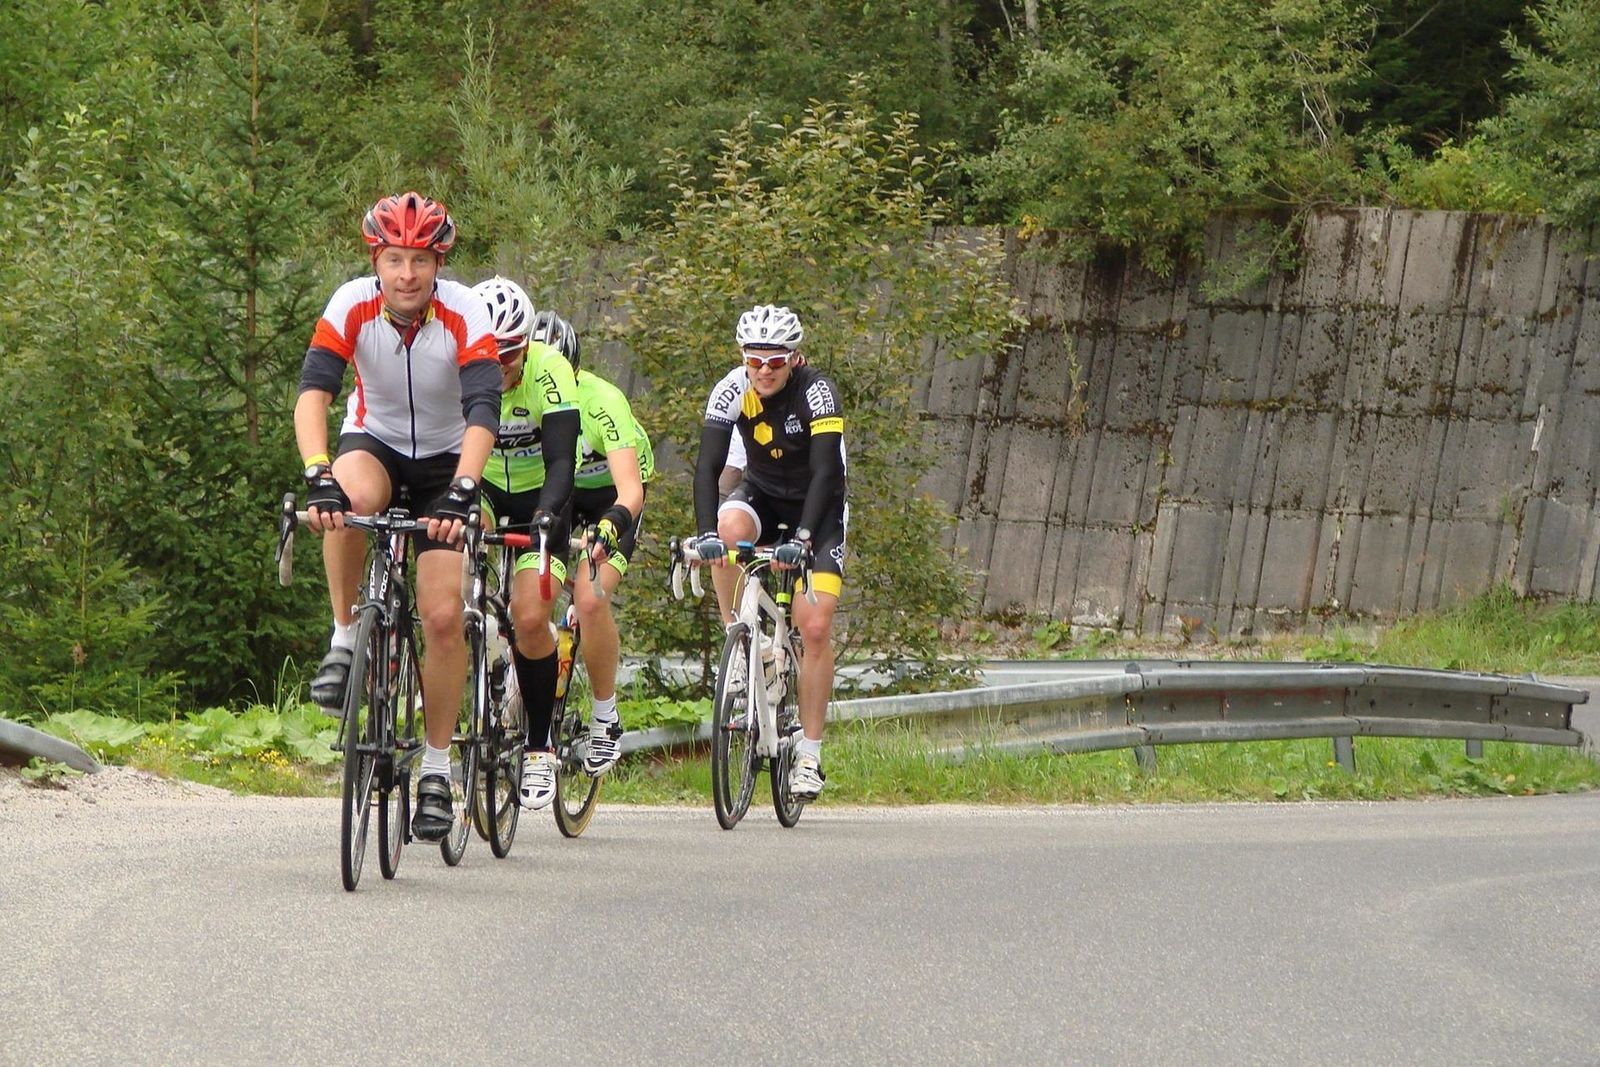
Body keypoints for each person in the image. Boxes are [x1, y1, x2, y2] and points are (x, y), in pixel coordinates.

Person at [295, 191, 498, 842]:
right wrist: (317, 475)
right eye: (394, 260)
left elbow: (483, 410)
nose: (407, 274)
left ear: (438, 264)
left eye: (420, 260)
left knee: (440, 616)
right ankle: (344, 638)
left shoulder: (464, 311)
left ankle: (436, 770)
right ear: (375, 261)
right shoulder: (350, 304)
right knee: (348, 501)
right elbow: (314, 394)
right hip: (375, 442)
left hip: (447, 462)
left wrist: (465, 489)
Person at [691, 304, 847, 800]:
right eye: (754, 360)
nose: (763, 370)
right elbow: (708, 466)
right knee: (726, 528)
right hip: (762, 493)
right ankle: (738, 636)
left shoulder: (817, 392)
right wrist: (704, 533)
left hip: (818, 506)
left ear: (794, 358)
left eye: (775, 361)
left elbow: (826, 473)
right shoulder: (732, 388)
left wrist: (802, 539)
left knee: (814, 626)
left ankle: (810, 756)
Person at [472, 283, 583, 811]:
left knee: (531, 618)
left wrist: (547, 512)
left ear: (526, 345)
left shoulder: (549, 371)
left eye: (511, 353)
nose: (501, 366)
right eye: (491, 354)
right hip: (486, 488)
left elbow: (562, 460)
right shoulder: (459, 365)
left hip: (543, 495)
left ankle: (539, 745)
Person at [558, 314, 654, 777]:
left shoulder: (603, 402)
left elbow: (629, 490)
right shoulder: (513, 394)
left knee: (590, 598)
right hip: (558, 489)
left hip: (611, 493)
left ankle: (605, 716)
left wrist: (612, 525)